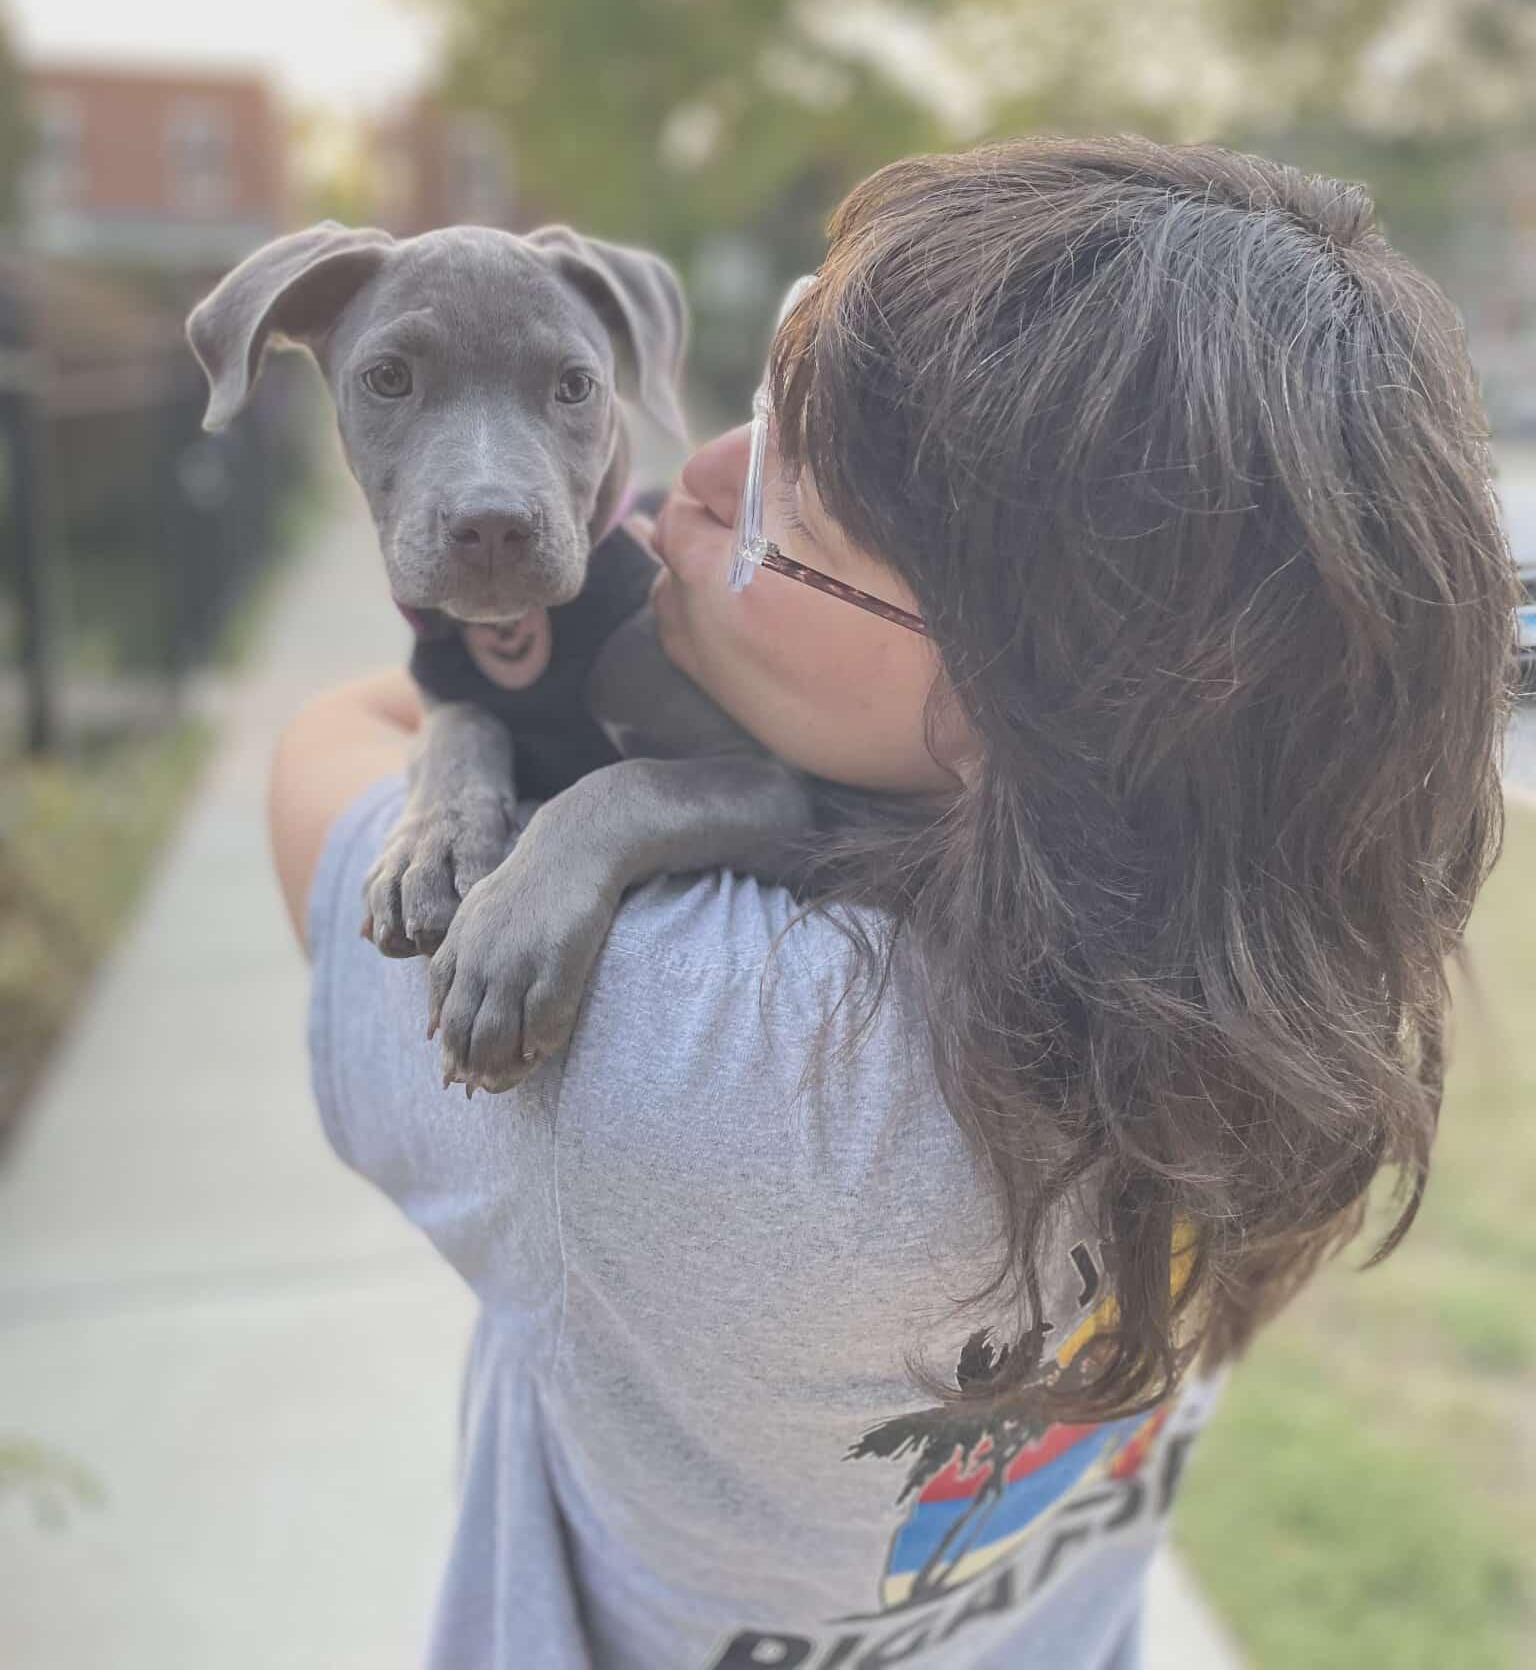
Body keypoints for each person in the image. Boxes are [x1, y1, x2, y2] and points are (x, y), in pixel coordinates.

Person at [269, 136, 1520, 1670]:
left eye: (801, 507)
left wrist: (485, 708)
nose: (690, 487)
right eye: (762, 406)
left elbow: (325, 758)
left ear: (1037, 702)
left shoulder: (693, 1052)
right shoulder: (1273, 988)